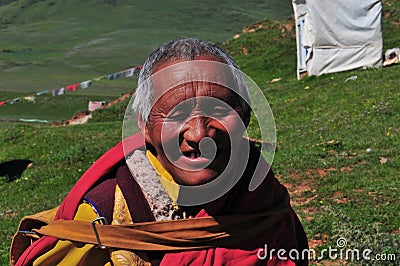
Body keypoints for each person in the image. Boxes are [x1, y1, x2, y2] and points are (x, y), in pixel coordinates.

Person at [11, 38, 308, 265]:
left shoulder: (264, 199)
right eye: (176, 116)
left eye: (219, 110)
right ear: (145, 128)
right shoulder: (103, 219)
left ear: (245, 115)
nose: (199, 134)